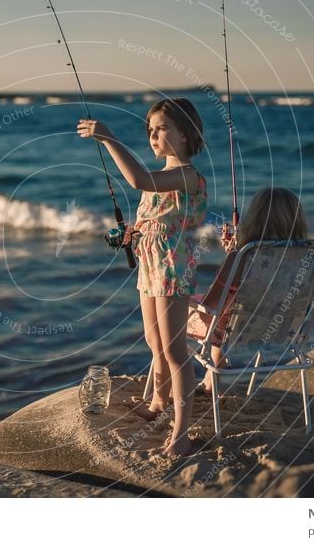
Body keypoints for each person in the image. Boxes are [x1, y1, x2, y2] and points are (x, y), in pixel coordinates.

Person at [77, 98, 207, 458]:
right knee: (154, 345)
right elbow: (159, 219)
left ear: (185, 133)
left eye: (160, 128)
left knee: (175, 352)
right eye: (149, 129)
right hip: (151, 268)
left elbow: (139, 180)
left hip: (172, 271)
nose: (152, 135)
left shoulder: (187, 176)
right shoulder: (162, 179)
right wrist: (136, 232)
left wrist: (108, 139)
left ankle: (181, 433)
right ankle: (157, 403)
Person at [189, 187, 309, 394]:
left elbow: (211, 305)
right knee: (231, 311)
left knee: (170, 311)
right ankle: (211, 382)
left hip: (232, 330)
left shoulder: (241, 257)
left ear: (253, 219)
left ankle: (173, 388)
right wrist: (236, 253)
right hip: (281, 327)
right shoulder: (305, 257)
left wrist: (234, 257)